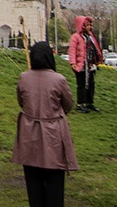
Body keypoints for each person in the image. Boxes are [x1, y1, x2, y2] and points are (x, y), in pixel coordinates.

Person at [12, 41, 79, 207]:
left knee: (33, 176)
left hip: (29, 132)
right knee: (54, 177)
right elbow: (68, 103)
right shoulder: (59, 79)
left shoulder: (24, 77)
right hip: (53, 132)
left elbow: (21, 101)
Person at [68, 16, 103, 113]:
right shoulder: (75, 37)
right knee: (82, 84)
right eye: (87, 25)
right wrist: (73, 63)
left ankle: (89, 102)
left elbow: (96, 48)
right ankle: (80, 103)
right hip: (81, 66)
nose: (90, 27)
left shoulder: (90, 36)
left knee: (91, 84)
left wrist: (99, 58)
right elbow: (72, 51)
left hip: (90, 65)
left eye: (90, 25)